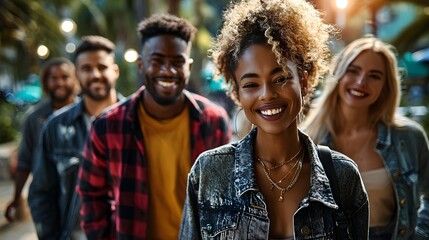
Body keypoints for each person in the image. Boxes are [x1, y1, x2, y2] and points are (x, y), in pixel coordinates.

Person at [179, 0, 369, 239]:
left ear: (305, 79)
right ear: (237, 93)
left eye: (280, 78)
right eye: (251, 84)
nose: (267, 94)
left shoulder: (343, 177)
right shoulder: (209, 173)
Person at [76, 14, 232, 239]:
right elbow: (91, 194)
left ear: (188, 67)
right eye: (157, 61)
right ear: (141, 65)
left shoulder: (214, 121)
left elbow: (224, 196)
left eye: (177, 62)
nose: (167, 71)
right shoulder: (107, 126)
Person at [302, 36, 429, 239]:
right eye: (353, 71)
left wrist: (420, 236)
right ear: (339, 74)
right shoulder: (308, 140)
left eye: (374, 76)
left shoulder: (409, 138)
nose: (361, 82)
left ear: (385, 86)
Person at [28, 35, 123, 240]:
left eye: (102, 67)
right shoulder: (55, 126)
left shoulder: (136, 121)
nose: (95, 74)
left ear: (115, 71)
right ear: (77, 75)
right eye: (87, 69)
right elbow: (41, 192)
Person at [4, 57, 79, 222]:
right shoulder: (34, 118)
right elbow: (25, 161)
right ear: (46, 81)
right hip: (46, 199)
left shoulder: (86, 114)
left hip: (79, 199)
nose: (59, 82)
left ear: (75, 79)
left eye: (65, 77)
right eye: (54, 78)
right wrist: (16, 199)